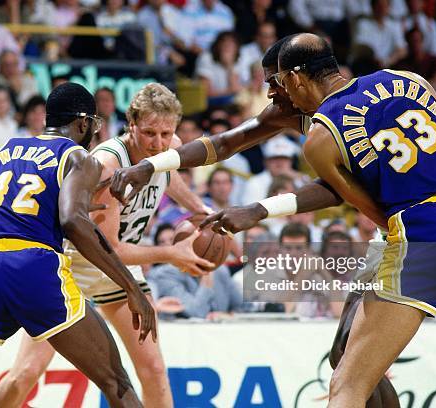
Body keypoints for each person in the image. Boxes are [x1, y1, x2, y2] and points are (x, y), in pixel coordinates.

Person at [108, 35, 400, 407]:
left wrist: (258, 210)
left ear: (293, 79)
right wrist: (151, 165)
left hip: (408, 229)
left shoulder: (342, 115)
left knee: (351, 363)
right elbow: (226, 143)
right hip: (396, 229)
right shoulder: (289, 111)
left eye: (272, 83)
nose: (269, 94)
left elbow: (339, 189)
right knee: (346, 357)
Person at [0, 82, 155, 408]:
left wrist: (64, 202)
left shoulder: (5, 150)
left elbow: (12, 208)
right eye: (95, 123)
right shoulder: (80, 155)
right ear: (82, 123)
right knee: (115, 381)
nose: (95, 130)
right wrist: (131, 286)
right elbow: (73, 222)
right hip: (34, 268)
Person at [271, 33, 436, 406]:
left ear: (294, 78)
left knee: (348, 383)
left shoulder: (320, 139)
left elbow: (377, 213)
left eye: (279, 84)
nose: (283, 95)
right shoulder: (409, 79)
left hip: (426, 230)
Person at [0, 83, 213, 408]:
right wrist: (170, 253)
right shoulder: (109, 164)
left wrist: (200, 210)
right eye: (150, 133)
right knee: (26, 371)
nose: (159, 143)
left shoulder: (170, 148)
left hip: (118, 272)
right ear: (131, 124)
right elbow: (109, 246)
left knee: (153, 368)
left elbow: (168, 174)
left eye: (167, 134)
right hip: (75, 265)